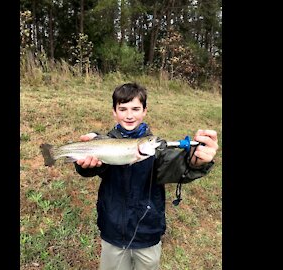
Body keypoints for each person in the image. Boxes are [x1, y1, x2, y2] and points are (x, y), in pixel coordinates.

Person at [74, 82, 218, 270]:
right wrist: (85, 166)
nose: (129, 115)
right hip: (112, 231)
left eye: (135, 108)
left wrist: (195, 161)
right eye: (123, 108)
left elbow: (175, 164)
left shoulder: (155, 148)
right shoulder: (104, 141)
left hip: (148, 232)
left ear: (145, 111)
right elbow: (91, 168)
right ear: (114, 112)